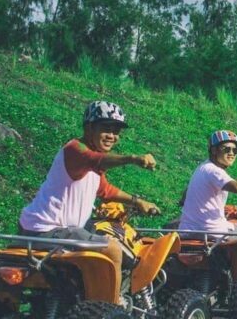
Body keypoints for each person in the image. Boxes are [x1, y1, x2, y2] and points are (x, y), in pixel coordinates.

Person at [18, 101, 160, 304]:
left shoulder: (89, 163)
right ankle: (112, 307)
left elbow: (105, 190)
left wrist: (138, 202)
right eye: (106, 129)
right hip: (49, 230)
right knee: (113, 249)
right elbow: (97, 160)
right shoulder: (75, 150)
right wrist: (133, 158)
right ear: (89, 127)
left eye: (116, 131)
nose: (112, 136)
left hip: (39, 228)